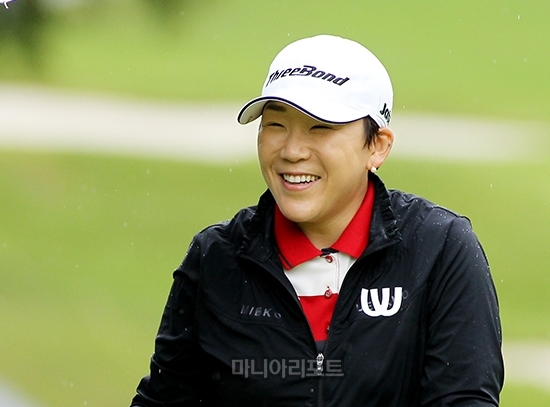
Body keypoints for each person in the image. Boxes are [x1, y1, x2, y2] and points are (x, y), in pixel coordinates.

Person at [130, 34, 504, 407]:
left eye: (320, 128)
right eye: (275, 125)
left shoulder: (438, 249)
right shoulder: (216, 259)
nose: (292, 151)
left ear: (377, 146)